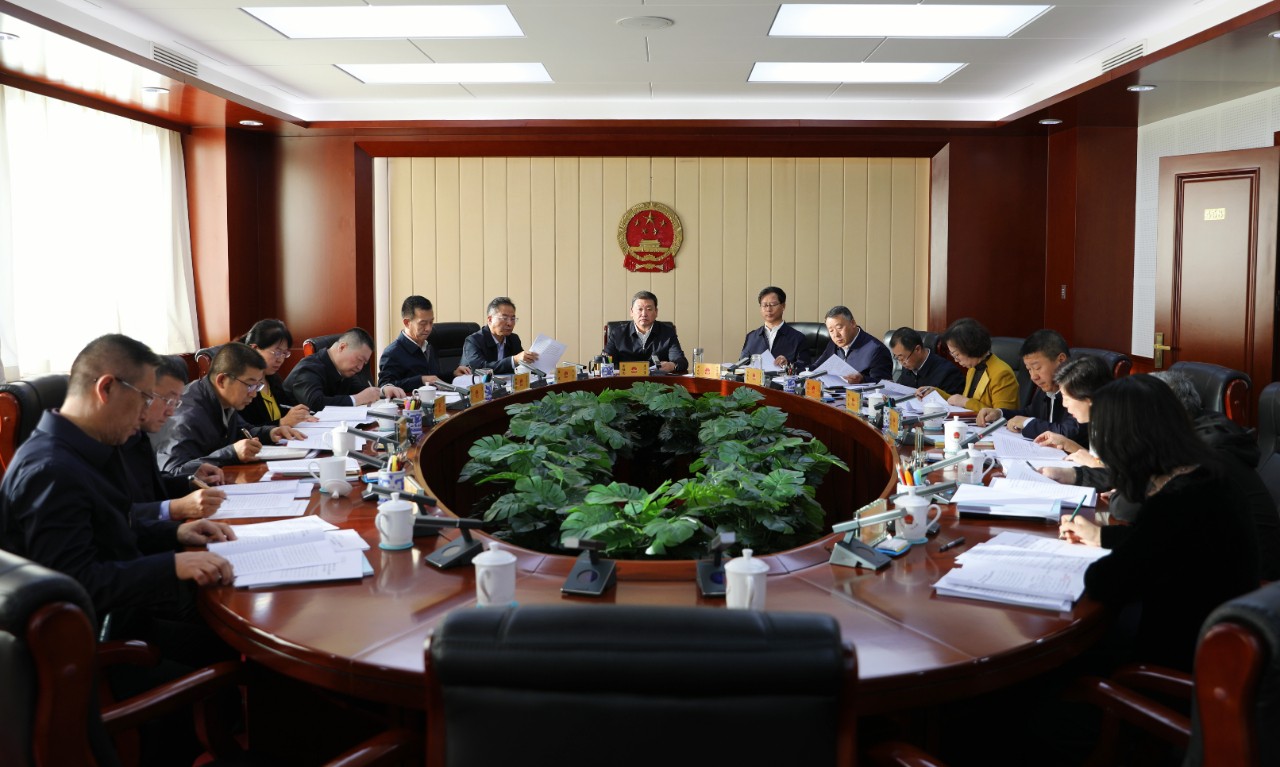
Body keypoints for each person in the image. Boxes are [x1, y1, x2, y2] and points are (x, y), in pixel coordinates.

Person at [0, 335, 241, 766]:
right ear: (106, 388)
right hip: (90, 649)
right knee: (230, 666)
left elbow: (115, 528)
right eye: (146, 396)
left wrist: (177, 535)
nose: (151, 411)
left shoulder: (87, 449)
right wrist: (174, 565)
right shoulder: (52, 470)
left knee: (224, 643)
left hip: (122, 618)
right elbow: (78, 583)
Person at [1058, 375, 1259, 672]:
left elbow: (1104, 581)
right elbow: (1162, 545)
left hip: (1177, 661)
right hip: (1213, 635)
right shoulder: (1206, 473)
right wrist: (1102, 536)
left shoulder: (1177, 501)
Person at [156, 343, 306, 475]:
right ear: (222, 380)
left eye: (257, 386)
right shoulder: (187, 418)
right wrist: (231, 453)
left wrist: (270, 432)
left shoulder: (224, 399)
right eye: (250, 385)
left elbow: (243, 431)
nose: (254, 394)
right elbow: (172, 473)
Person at [122, 355, 227, 525]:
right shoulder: (103, 442)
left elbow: (148, 487)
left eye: (175, 403)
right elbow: (111, 518)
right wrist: (174, 509)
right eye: (168, 401)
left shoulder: (137, 435)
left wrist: (190, 481)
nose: (171, 412)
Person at [976, 330, 1084, 443]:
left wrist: (1026, 423)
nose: (1033, 377)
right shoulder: (1045, 387)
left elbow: (1067, 432)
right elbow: (1029, 414)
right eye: (1029, 369)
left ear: (1061, 360)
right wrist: (1000, 414)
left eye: (1037, 368)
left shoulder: (1081, 389)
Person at [283, 327, 406, 409]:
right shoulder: (308, 369)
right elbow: (316, 403)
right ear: (342, 347)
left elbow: (359, 390)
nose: (360, 367)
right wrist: (357, 399)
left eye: (364, 363)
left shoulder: (342, 371)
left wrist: (384, 391)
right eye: (359, 359)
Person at [1031, 354, 1113, 473]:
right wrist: (1067, 444)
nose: (1064, 404)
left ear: (1088, 397)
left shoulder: (1123, 424)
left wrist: (1092, 463)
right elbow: (1101, 461)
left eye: (1066, 397)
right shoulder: (1098, 418)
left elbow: (1127, 477)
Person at [918, 318, 1019, 412]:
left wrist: (966, 402)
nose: (956, 360)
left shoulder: (1002, 374)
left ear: (970, 348)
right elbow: (960, 402)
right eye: (953, 355)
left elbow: (1003, 415)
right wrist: (935, 392)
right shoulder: (973, 368)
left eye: (956, 355)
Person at [380, 295, 472, 390]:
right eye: (423, 323)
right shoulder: (392, 353)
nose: (428, 328)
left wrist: (453, 374)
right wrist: (421, 380)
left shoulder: (427, 346)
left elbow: (433, 379)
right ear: (407, 323)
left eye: (431, 322)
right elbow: (386, 385)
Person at [237, 319, 315, 428]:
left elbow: (287, 409)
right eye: (277, 353)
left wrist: (300, 415)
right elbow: (243, 430)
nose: (281, 360)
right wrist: (281, 423)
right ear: (254, 349)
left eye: (284, 353)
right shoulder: (240, 383)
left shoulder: (272, 378)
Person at [603, 291, 689, 374]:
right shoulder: (618, 334)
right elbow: (605, 360)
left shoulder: (668, 333)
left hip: (657, 382)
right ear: (631, 312)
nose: (644, 314)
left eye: (649, 309)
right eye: (639, 309)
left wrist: (671, 365)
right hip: (625, 381)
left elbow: (681, 361)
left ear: (656, 312)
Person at [811, 306, 892, 384]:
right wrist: (805, 372)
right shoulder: (834, 344)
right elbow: (817, 366)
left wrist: (863, 380)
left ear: (853, 323)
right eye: (831, 330)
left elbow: (885, 385)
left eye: (839, 328)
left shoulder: (876, 349)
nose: (836, 335)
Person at [739, 286, 811, 370]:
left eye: (772, 305)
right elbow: (742, 365)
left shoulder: (798, 338)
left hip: (784, 378)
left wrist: (788, 364)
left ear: (783, 306)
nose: (768, 309)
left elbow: (806, 366)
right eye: (764, 305)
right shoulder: (751, 337)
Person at [461, 297, 538, 375]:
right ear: (490, 319)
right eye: (504, 318)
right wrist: (513, 360)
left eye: (512, 319)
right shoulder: (473, 341)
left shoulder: (513, 339)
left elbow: (522, 365)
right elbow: (480, 369)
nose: (510, 323)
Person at [890, 327, 963, 394]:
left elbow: (954, 402)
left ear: (917, 349)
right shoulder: (908, 366)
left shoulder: (948, 373)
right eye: (898, 358)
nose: (901, 363)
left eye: (903, 358)